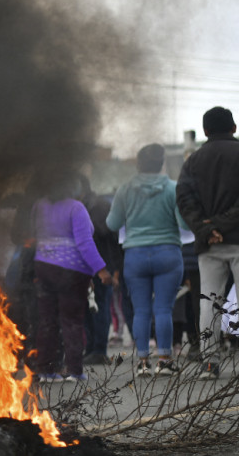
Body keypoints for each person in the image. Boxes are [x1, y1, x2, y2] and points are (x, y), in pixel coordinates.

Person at [107, 144, 187, 376]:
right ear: (161, 164)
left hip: (135, 255)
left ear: (138, 164)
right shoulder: (173, 188)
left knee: (141, 310)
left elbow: (112, 224)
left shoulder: (125, 189)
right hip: (168, 253)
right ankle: (164, 360)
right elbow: (183, 224)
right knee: (163, 309)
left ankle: (142, 362)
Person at [32, 174, 113, 383]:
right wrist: (101, 270)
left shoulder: (39, 206)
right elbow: (85, 243)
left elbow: (33, 234)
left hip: (43, 267)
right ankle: (74, 370)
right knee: (72, 321)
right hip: (71, 272)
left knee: (46, 321)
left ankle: (45, 370)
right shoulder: (76, 208)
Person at [176, 106, 239, 379]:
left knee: (209, 303)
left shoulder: (192, 161)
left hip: (208, 246)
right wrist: (221, 225)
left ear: (205, 131)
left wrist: (205, 229)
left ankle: (209, 363)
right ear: (234, 127)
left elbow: (184, 199)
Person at [79, 176, 123, 366]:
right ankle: (91, 349)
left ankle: (98, 350)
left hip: (101, 264)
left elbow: (110, 236)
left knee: (100, 306)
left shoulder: (99, 207)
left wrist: (112, 269)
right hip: (86, 265)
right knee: (88, 309)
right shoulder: (86, 206)